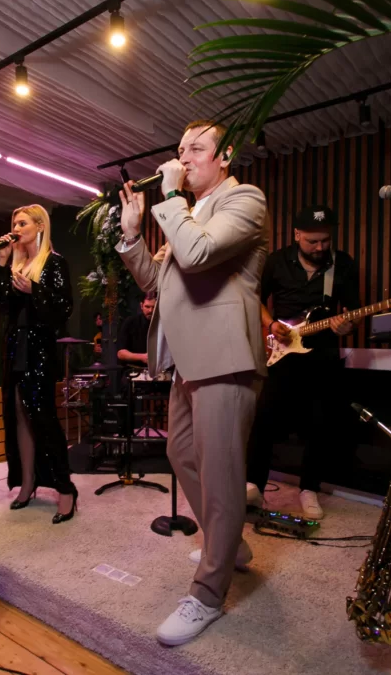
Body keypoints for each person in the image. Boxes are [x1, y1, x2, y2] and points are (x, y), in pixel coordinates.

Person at [117, 119, 267, 646]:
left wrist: (170, 198)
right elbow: (154, 282)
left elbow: (199, 254)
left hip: (225, 355)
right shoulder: (187, 212)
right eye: (180, 150)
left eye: (196, 149)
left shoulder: (243, 200)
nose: (183, 159)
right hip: (186, 361)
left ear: (225, 156)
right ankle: (231, 546)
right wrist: (133, 235)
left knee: (221, 475)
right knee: (181, 454)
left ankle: (207, 594)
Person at [246, 204, 362, 522]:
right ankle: (253, 484)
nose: (320, 247)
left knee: (319, 424)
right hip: (282, 352)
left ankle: (309, 489)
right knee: (264, 419)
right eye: (312, 241)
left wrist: (347, 325)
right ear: (297, 234)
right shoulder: (277, 261)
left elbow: (353, 310)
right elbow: (254, 297)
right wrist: (271, 324)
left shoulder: (343, 264)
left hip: (323, 353)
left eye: (325, 240)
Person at [0, 204, 78, 524]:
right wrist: (1, 261)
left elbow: (63, 307)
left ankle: (65, 489)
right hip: (14, 346)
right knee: (18, 416)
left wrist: (34, 289)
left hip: (39, 348)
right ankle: (27, 482)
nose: (16, 228)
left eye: (22, 223)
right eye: (14, 223)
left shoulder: (54, 263)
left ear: (40, 226)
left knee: (43, 418)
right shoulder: (14, 265)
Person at [116, 291, 156, 367]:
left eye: (154, 307)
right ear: (141, 306)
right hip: (135, 370)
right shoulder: (131, 322)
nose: (150, 310)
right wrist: (142, 357)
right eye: (147, 307)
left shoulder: (164, 325)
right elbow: (121, 353)